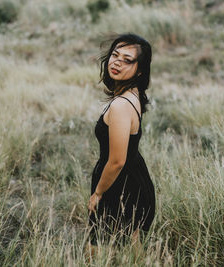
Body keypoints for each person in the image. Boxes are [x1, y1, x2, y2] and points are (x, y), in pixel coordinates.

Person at [87, 33, 156, 255]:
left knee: (95, 252)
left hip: (119, 186)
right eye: (115, 55)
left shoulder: (121, 105)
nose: (116, 62)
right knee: (131, 249)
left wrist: (98, 193)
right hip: (133, 180)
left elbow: (116, 161)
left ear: (140, 70)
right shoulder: (133, 94)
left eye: (127, 60)